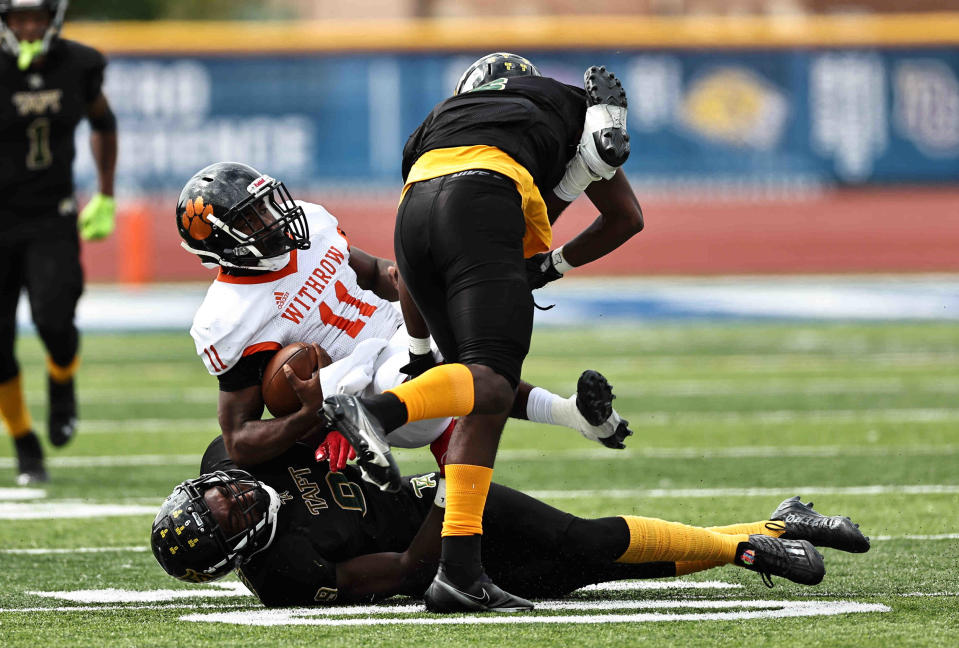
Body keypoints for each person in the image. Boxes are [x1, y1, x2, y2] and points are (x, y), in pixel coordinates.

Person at [315, 52, 643, 611]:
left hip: (415, 214)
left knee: (476, 393)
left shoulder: (439, 119)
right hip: (486, 198)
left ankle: (459, 572)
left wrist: (419, 350)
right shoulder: (550, 100)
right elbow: (625, 218)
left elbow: (410, 264)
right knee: (489, 381)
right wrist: (556, 262)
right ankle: (377, 414)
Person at [175, 161, 631, 482]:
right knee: (442, 364)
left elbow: (373, 271)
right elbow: (239, 439)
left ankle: (570, 416)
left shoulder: (311, 225)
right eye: (253, 218)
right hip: (363, 380)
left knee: (473, 341)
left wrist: (416, 287)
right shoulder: (229, 318)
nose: (274, 219)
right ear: (224, 245)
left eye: (268, 204)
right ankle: (371, 432)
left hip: (400, 329)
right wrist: (310, 417)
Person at [150, 436, 871, 607]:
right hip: (435, 542)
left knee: (578, 537)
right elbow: (403, 572)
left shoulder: (236, 454)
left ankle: (748, 550)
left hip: (448, 492)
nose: (232, 497)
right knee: (584, 569)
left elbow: (299, 406)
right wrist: (439, 508)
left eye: (217, 494)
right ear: (235, 551)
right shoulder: (283, 575)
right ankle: (776, 527)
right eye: (224, 516)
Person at [0, 0, 117, 485]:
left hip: (52, 215)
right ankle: (25, 443)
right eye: (17, 18)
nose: (28, 27)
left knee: (55, 319)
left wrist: (106, 194)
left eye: (37, 17)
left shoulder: (80, 64)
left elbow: (103, 121)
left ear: (54, 18)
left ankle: (62, 380)